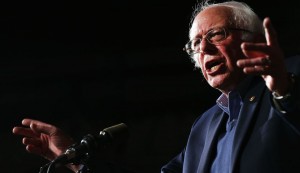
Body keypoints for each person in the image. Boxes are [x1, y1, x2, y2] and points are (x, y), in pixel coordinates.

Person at [12, 0, 300, 173]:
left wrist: (283, 91)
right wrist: (74, 158)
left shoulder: (289, 75)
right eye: (195, 44)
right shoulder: (206, 126)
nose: (204, 48)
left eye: (216, 34)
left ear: (250, 38)